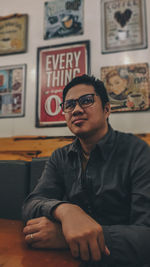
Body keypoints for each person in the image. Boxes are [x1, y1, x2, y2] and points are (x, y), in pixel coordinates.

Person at [22, 74, 150, 267]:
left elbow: (146, 234)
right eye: (69, 105)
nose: (77, 110)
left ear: (107, 109)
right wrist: (66, 211)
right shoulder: (60, 156)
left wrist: (69, 237)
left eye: (86, 101)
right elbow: (32, 203)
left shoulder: (137, 152)